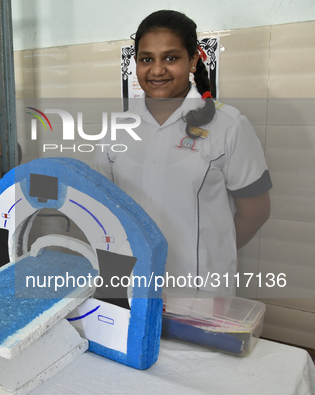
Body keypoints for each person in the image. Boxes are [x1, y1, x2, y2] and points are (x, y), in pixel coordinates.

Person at [94, 10, 271, 295]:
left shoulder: (228, 125)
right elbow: (105, 210)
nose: (157, 70)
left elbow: (256, 211)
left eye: (171, 57)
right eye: (146, 59)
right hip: (131, 284)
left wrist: (209, 259)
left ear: (192, 60)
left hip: (201, 290)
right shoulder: (117, 128)